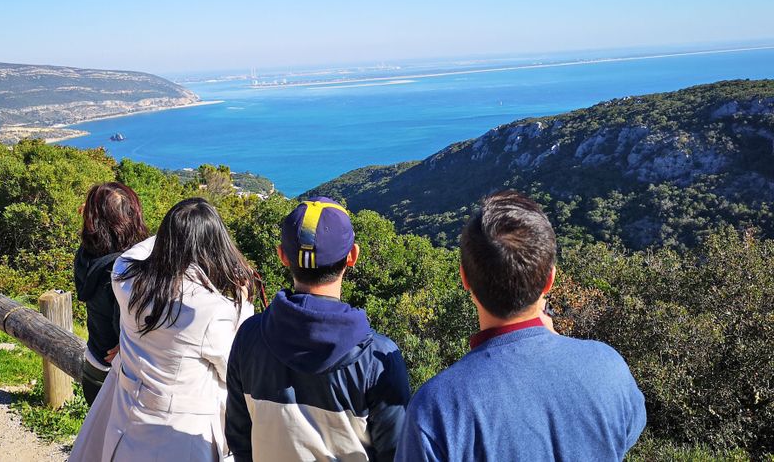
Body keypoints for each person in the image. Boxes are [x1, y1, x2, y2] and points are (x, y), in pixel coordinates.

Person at [395, 190, 646, 462]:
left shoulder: (436, 409)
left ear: (464, 278)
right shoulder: (607, 366)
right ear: (550, 280)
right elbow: (621, 437)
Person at [70, 198, 256, 462]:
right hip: (182, 440)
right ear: (215, 246)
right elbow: (235, 370)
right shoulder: (212, 311)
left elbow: (133, 253)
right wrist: (243, 301)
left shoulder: (126, 278)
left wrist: (175, 233)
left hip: (126, 423)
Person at [225, 197, 411, 462]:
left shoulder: (248, 337)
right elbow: (396, 454)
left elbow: (240, 439)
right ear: (352, 256)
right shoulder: (378, 359)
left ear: (282, 256)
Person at [75, 182, 149, 406]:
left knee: (97, 440)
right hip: (118, 376)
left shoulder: (86, 255)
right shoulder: (123, 270)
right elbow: (127, 329)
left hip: (94, 364)